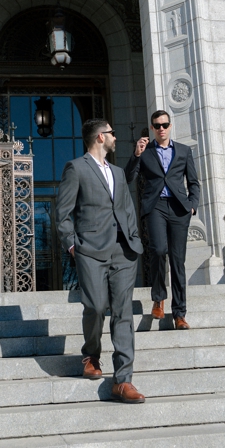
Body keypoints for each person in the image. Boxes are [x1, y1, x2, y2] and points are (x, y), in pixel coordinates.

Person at [55, 118, 145, 403]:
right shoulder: (76, 168)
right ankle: (91, 354)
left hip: (124, 252)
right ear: (99, 138)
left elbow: (127, 209)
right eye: (112, 133)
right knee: (95, 306)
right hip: (90, 250)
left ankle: (123, 381)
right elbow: (62, 213)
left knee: (123, 314)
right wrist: (72, 246)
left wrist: (134, 240)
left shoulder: (118, 172)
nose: (116, 138)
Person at [126, 109, 200, 329]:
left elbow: (194, 182)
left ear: (170, 126)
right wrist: (136, 154)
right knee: (158, 250)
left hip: (179, 209)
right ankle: (158, 298)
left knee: (178, 261)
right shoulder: (145, 151)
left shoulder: (184, 151)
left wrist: (192, 206)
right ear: (152, 128)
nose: (161, 129)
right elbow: (129, 177)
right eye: (157, 126)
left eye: (164, 125)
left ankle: (179, 314)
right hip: (155, 206)